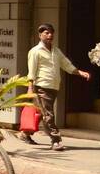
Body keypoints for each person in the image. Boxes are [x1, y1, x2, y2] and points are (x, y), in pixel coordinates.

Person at [24, 22, 91, 151]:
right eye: (46, 33)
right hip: (41, 86)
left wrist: (79, 72)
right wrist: (30, 87)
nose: (50, 35)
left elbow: (65, 63)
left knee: (42, 112)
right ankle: (56, 140)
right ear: (40, 35)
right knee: (48, 114)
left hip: (53, 86)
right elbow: (31, 71)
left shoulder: (55, 50)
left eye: (51, 33)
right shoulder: (35, 52)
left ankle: (25, 133)